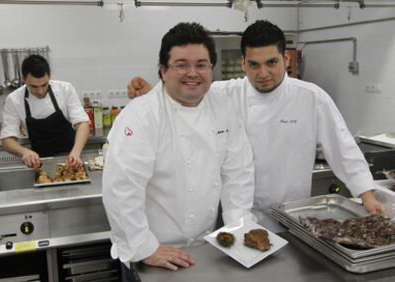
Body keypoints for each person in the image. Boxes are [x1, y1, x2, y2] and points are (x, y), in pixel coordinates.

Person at [127, 20, 383, 232]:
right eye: (254, 64)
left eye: (271, 62)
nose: (263, 73)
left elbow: (343, 147)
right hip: (235, 217)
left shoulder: (311, 97)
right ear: (242, 63)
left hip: (293, 218)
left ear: (286, 59)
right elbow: (184, 92)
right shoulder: (224, 93)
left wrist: (366, 193)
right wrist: (152, 91)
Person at [102, 22, 255, 273]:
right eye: (181, 65)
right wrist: (144, 246)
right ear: (163, 71)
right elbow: (122, 188)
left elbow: (238, 172)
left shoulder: (223, 108)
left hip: (204, 248)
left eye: (201, 65)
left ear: (211, 68)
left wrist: (238, 227)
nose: (192, 73)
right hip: (151, 253)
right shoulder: (141, 115)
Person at [0, 54, 89, 170]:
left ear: (49, 77)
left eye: (44, 85)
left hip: (71, 158)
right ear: (23, 79)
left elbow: (82, 123)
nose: (40, 91)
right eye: (34, 86)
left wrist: (76, 153)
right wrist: (24, 152)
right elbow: (7, 140)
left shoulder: (65, 89)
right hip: (39, 162)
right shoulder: (14, 99)